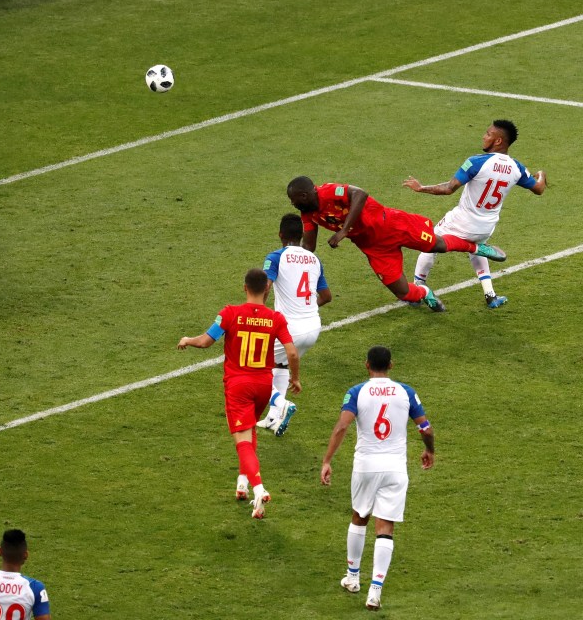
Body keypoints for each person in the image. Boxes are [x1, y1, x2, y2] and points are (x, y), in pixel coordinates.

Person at [177, 268, 301, 517]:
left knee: (242, 441)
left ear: (244, 287)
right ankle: (242, 484)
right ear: (267, 289)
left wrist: (187, 339)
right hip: (264, 387)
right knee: (250, 429)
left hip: (238, 387)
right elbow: (292, 353)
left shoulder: (230, 314)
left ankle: (259, 490)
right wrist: (295, 379)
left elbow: (205, 341)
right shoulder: (275, 318)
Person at [320, 346, 435, 611]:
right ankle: (375, 591)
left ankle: (352, 578)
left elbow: (342, 426)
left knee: (359, 517)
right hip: (395, 468)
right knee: (386, 527)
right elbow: (425, 427)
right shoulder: (406, 392)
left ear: (366, 364)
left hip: (366, 466)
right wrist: (429, 450)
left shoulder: (357, 391)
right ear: (391, 365)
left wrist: (327, 460)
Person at [287, 175, 508, 313]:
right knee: (403, 292)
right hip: (374, 248)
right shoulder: (308, 214)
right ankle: (424, 293)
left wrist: (344, 230)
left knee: (436, 245)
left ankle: (477, 248)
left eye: (294, 199)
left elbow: (360, 194)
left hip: (391, 225)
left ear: (305, 195)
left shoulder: (328, 191)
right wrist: (292, 256)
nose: (292, 203)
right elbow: (309, 247)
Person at [402, 119, 547, 308]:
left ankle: (418, 288)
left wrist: (421, 188)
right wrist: (542, 174)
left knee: (429, 242)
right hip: (486, 227)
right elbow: (539, 189)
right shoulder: (517, 168)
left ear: (498, 141)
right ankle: (491, 296)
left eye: (488, 134)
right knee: (476, 249)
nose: (484, 136)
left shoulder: (476, 162)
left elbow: (448, 188)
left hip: (461, 221)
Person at [256, 213, 332, 436]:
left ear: (280, 234)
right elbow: (326, 296)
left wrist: (258, 314)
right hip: (313, 328)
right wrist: (306, 309)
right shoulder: (314, 259)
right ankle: (273, 418)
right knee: (279, 365)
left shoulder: (276, 257)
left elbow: (266, 286)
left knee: (249, 366)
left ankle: (281, 404)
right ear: (301, 236)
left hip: (289, 329)